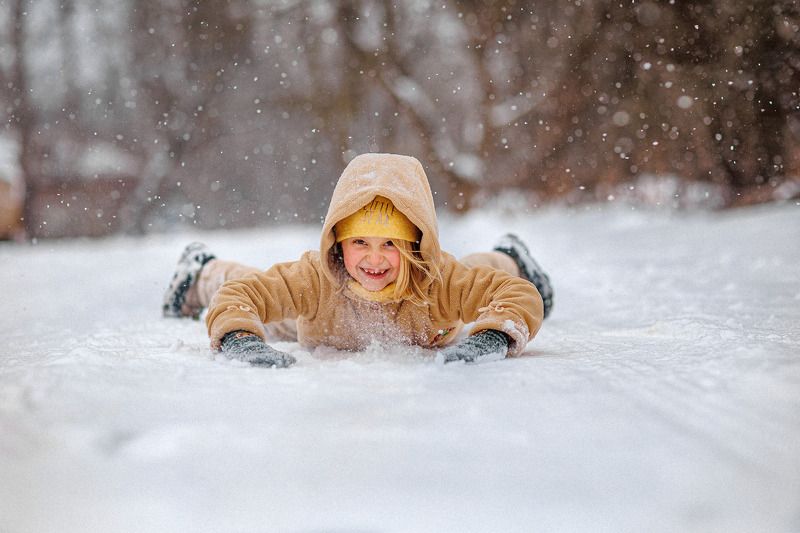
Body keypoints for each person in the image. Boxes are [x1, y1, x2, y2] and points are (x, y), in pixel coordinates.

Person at [162, 153, 553, 367]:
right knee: (249, 283)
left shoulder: (436, 280)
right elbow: (243, 294)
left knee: (476, 270)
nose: (374, 258)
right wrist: (240, 337)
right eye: (360, 242)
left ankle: (510, 255)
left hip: (436, 291)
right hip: (317, 321)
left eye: (391, 244)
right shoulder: (316, 278)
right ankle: (201, 270)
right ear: (338, 243)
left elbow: (515, 294)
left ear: (415, 248)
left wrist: (493, 335)